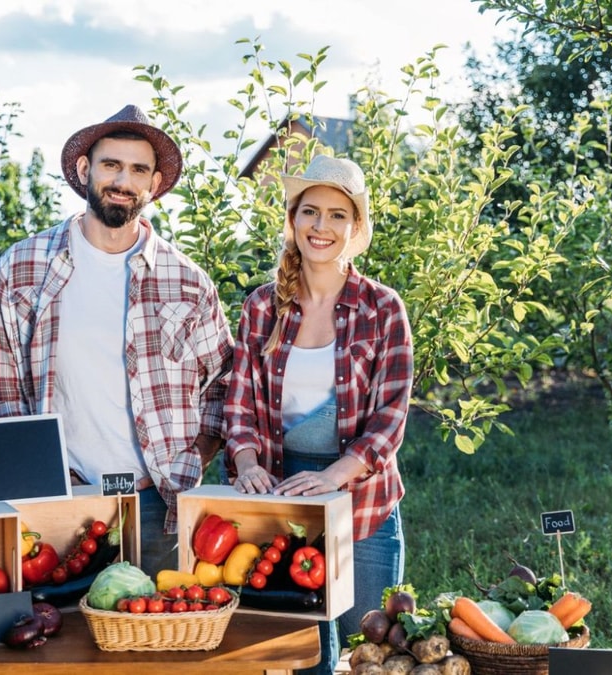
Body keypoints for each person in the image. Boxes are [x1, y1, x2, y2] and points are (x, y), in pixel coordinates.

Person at [0, 104, 235, 575]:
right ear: (84, 170)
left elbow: (221, 384)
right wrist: (40, 477)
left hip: (160, 504)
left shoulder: (188, 282)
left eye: (138, 170)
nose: (123, 180)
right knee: (55, 622)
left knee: (157, 620)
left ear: (154, 183)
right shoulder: (22, 268)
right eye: (111, 164)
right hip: (58, 499)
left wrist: (192, 459)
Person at [224, 154, 413, 675]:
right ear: (293, 219)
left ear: (354, 228)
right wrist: (246, 464)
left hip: (362, 495)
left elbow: (391, 414)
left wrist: (334, 476)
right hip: (283, 493)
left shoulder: (382, 308)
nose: (320, 226)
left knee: (375, 644)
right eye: (310, 211)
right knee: (304, 654)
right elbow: (239, 401)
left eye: (336, 215)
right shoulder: (262, 307)